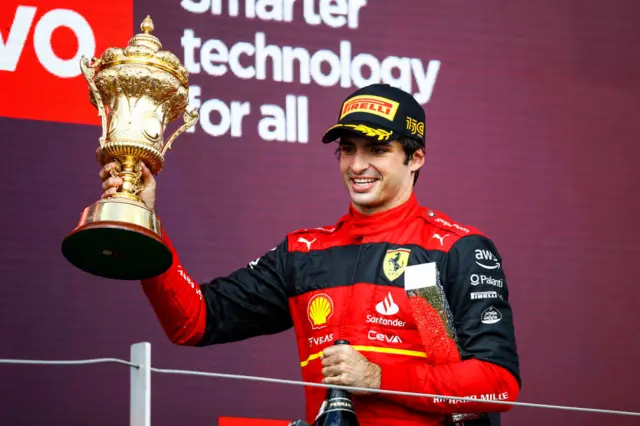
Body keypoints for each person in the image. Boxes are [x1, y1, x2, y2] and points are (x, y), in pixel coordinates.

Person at [99, 84, 521, 426]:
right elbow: (193, 320)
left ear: (416, 158)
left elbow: (498, 384)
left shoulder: (456, 248)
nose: (358, 165)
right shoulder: (304, 253)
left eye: (376, 150)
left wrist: (376, 377)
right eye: (348, 149)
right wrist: (143, 219)